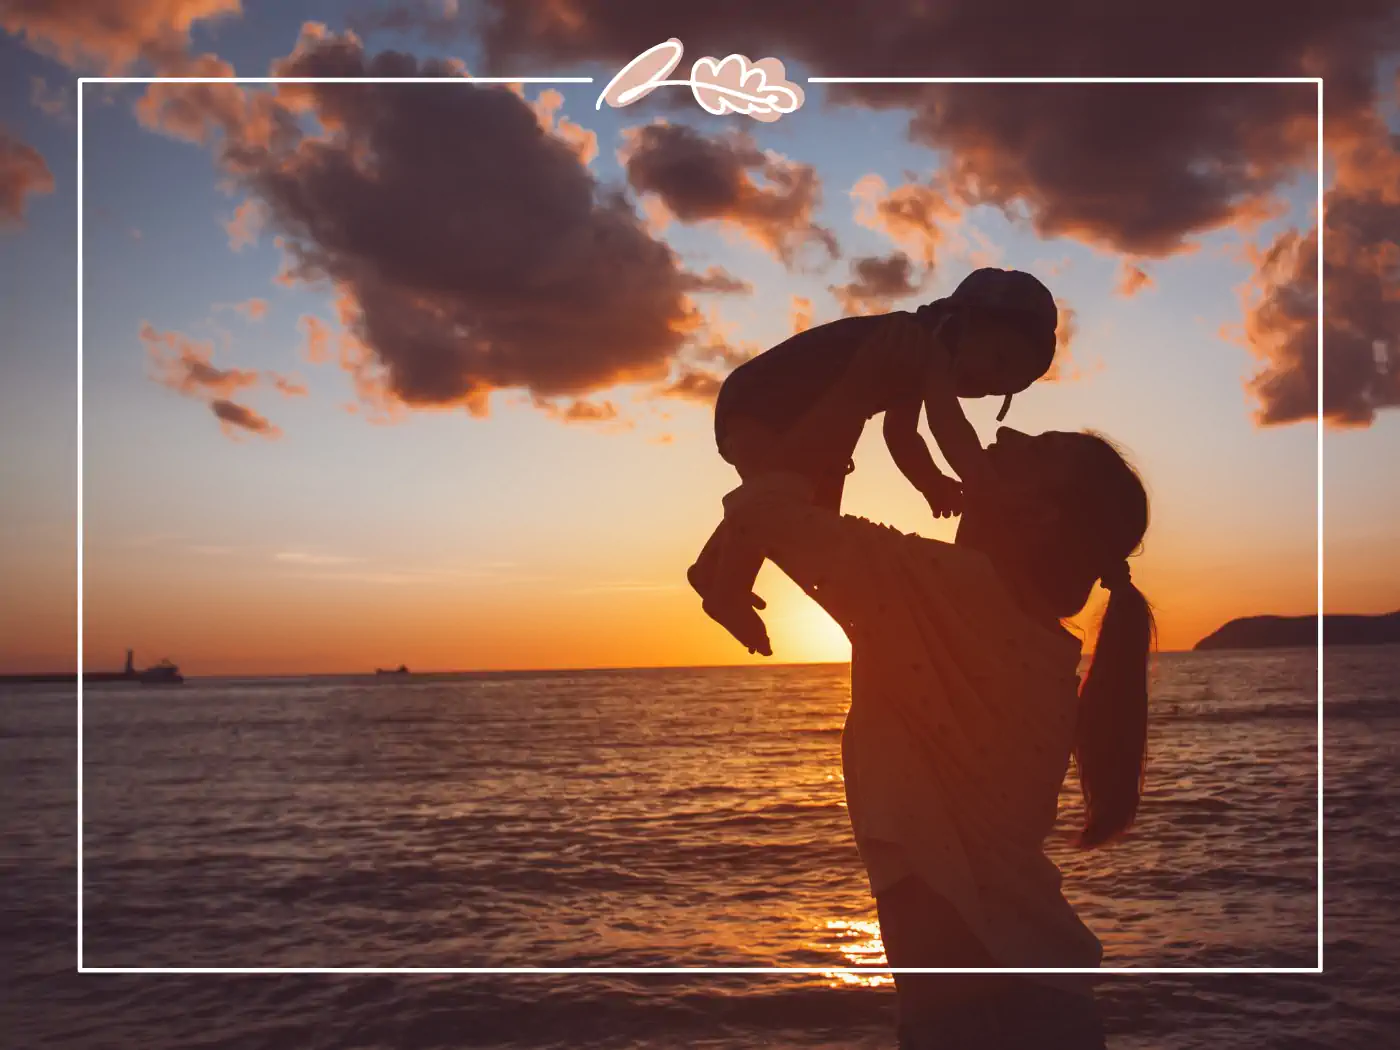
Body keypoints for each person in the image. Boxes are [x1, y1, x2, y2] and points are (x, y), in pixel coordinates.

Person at [716, 345, 1153, 1047]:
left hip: (982, 1015)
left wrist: (855, 384)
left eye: (1031, 451)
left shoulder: (939, 591)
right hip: (1028, 999)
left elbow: (767, 508)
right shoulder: (1031, 642)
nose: (1003, 436)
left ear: (1037, 514)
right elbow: (811, 531)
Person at [688, 268, 1061, 658]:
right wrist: (987, 488)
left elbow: (902, 436)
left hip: (782, 412)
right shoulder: (921, 345)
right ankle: (727, 589)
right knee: (780, 498)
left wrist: (931, 482)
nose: (984, 381)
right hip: (763, 402)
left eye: (998, 389)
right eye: (998, 360)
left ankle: (712, 567)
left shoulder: (912, 354)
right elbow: (948, 424)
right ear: (967, 319)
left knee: (792, 508)